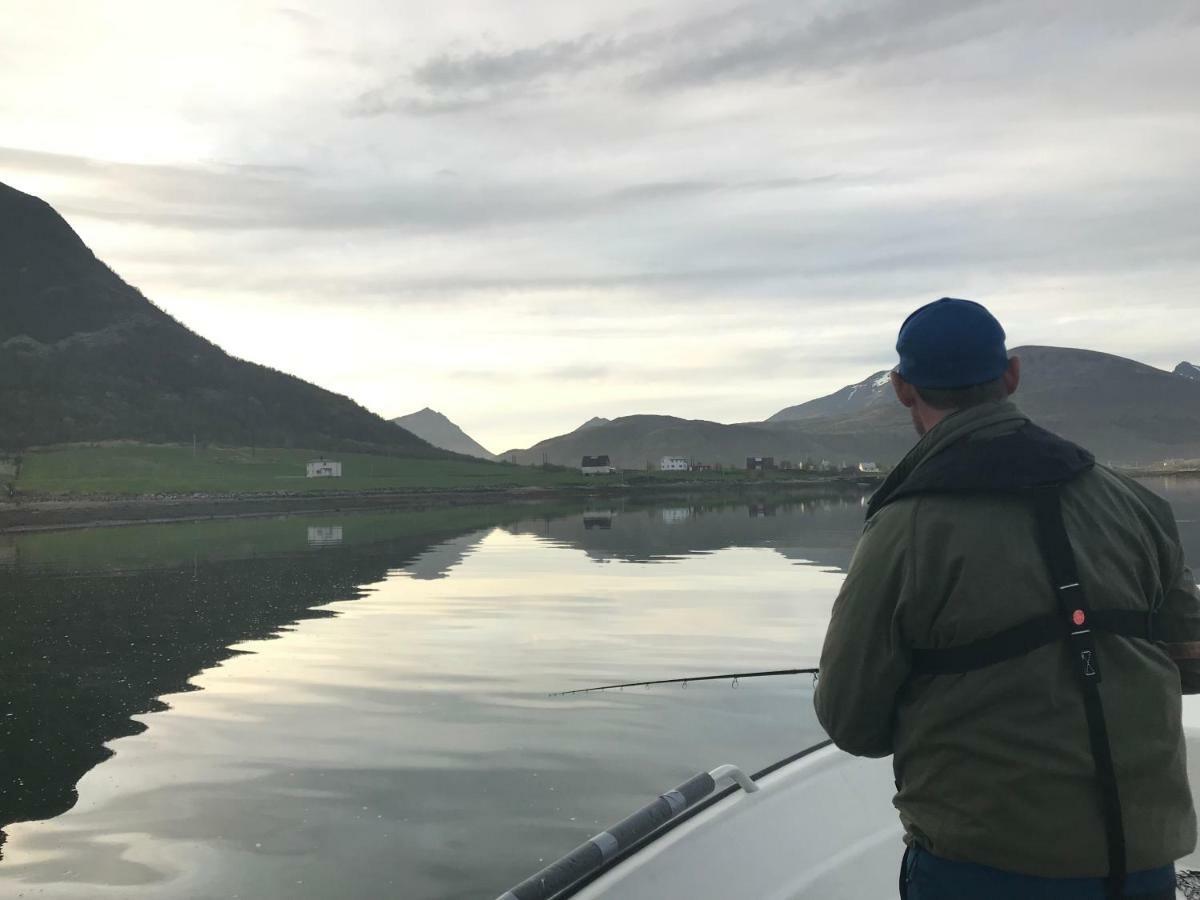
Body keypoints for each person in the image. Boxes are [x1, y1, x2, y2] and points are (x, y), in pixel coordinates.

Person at [813, 298, 1200, 900]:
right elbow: (1193, 660)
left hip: (984, 866)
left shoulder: (903, 528)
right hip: (1143, 859)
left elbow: (851, 722)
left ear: (901, 389)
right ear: (1012, 375)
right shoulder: (1133, 502)